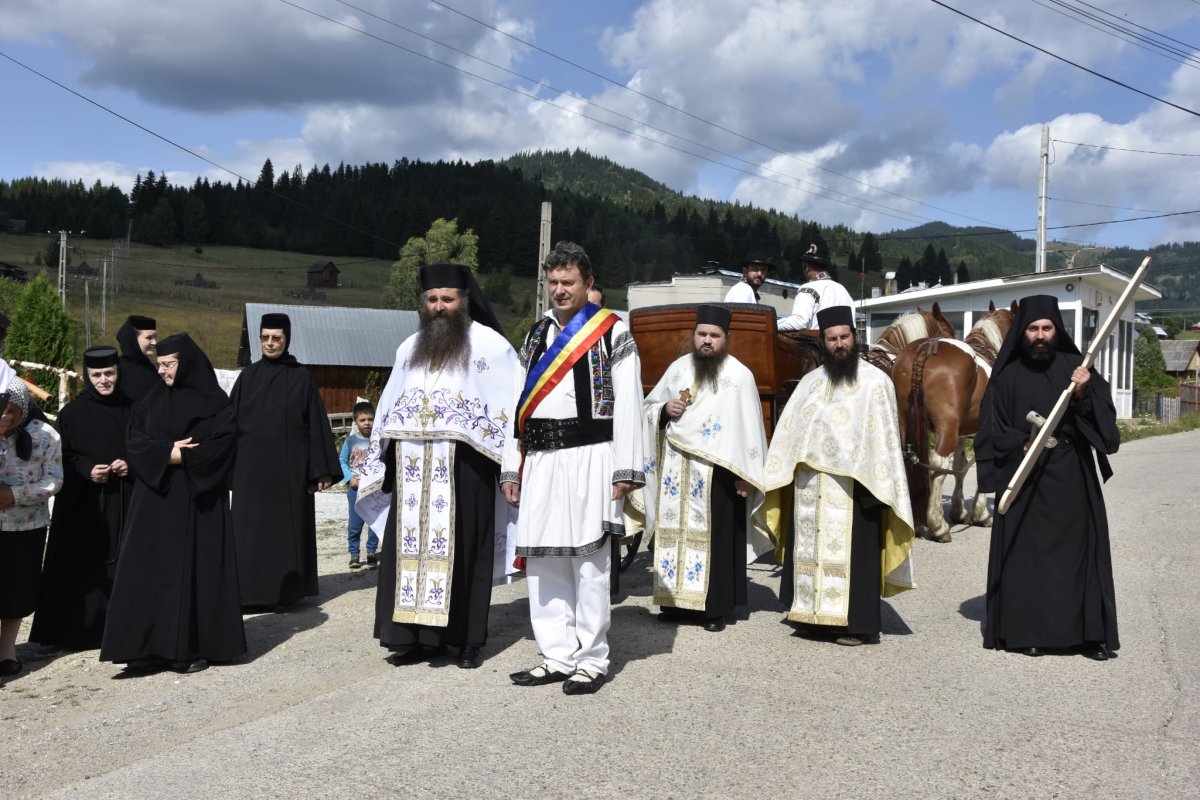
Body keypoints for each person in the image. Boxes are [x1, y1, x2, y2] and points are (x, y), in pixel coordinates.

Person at [356, 262, 518, 670]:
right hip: (412, 472)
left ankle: (466, 640)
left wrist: (510, 467)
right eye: (432, 299)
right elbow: (390, 407)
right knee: (409, 551)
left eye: (448, 299)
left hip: (466, 473)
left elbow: (510, 412)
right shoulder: (409, 348)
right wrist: (381, 461)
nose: (439, 307)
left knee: (465, 553)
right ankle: (415, 638)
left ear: (464, 301)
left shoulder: (492, 347)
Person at [502, 241, 645, 695]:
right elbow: (515, 405)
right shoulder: (535, 334)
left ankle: (592, 659)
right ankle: (556, 654)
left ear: (588, 284)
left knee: (588, 561)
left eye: (569, 282)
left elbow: (629, 405)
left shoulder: (612, 331)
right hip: (541, 459)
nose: (560, 290)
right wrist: (511, 466)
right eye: (554, 282)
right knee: (544, 561)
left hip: (592, 456)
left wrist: (625, 467)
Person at [976, 294, 1120, 661]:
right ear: (1022, 332)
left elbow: (1107, 433)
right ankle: (1030, 633)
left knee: (1079, 557)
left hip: (1072, 474)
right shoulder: (1005, 377)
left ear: (1057, 330)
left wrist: (1086, 393)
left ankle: (1088, 636)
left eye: (1046, 328)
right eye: (1033, 328)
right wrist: (1019, 444)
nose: (1040, 335)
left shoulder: (1079, 370)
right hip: (1026, 479)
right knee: (1030, 559)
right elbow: (989, 433)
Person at [764, 306, 915, 646]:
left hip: (855, 489)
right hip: (809, 489)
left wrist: (877, 487)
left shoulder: (876, 383)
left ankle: (857, 625)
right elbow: (790, 435)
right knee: (808, 553)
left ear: (855, 338)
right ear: (822, 342)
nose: (839, 344)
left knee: (855, 558)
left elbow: (885, 442)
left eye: (844, 337)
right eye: (831, 339)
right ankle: (809, 617)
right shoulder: (809, 383)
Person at [100, 333, 245, 674]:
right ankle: (145, 648)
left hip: (197, 504)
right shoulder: (151, 401)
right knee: (148, 572)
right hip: (155, 501)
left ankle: (189, 647)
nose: (162, 371)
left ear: (187, 363)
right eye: (160, 365)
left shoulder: (217, 405)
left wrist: (180, 458)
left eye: (168, 364)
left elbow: (222, 447)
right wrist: (170, 452)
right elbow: (134, 442)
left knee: (193, 573)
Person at [639, 305, 771, 631]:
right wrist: (664, 410)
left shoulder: (739, 376)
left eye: (714, 335)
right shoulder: (677, 369)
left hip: (719, 473)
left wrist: (748, 474)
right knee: (675, 536)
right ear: (694, 336)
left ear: (726, 338)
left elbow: (751, 430)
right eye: (702, 334)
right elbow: (648, 408)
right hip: (676, 468)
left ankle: (714, 609)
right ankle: (676, 603)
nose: (707, 341)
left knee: (717, 539)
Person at [229, 313, 339, 611]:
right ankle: (247, 594)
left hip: (288, 471)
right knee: (248, 533)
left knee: (283, 534)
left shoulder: (301, 376)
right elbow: (227, 424)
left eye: (276, 338)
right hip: (249, 472)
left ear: (286, 339)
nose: (270, 343)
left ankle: (284, 594)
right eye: (265, 337)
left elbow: (315, 425)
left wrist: (321, 470)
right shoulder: (247, 377)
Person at [30, 346, 133, 650]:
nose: (104, 380)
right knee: (77, 567)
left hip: (123, 499)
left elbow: (146, 447)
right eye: (97, 375)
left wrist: (130, 463)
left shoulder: (135, 409)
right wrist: (87, 470)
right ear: (87, 376)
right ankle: (74, 632)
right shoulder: (71, 414)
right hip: (82, 505)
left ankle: (120, 629)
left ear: (118, 372)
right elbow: (60, 459)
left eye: (109, 373)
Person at [0, 377, 64, 680]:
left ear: (23, 410)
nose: (4, 416)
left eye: (11, 411)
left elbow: (53, 480)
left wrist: (14, 495)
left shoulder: (45, 436)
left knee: (16, 591)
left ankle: (7, 652)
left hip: (26, 526)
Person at [776, 245, 855, 331]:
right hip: (843, 342)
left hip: (816, 342)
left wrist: (773, 324)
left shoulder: (808, 288)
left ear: (807, 267)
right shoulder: (843, 290)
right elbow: (852, 325)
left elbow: (799, 322)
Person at [340, 400, 377, 570]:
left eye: (370, 419)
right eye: (363, 420)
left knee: (374, 521)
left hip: (374, 489)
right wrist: (349, 479)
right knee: (355, 522)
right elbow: (342, 461)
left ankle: (371, 552)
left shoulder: (378, 439)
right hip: (356, 488)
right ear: (355, 421)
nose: (367, 423)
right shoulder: (350, 441)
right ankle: (354, 553)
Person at [114, 315, 160, 400]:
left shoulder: (152, 368)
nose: (155, 342)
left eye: (155, 337)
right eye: (149, 338)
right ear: (133, 339)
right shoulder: (116, 369)